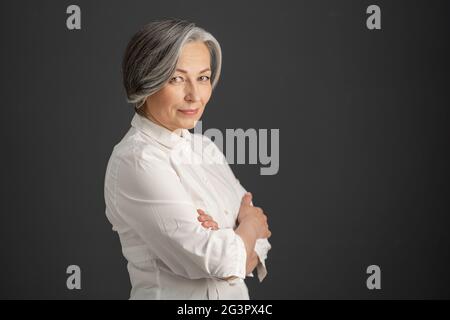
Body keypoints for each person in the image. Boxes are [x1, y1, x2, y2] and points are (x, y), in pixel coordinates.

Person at [104, 18, 272, 300]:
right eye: (176, 78)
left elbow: (262, 244)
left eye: (203, 78)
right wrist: (248, 226)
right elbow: (220, 260)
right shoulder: (136, 161)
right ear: (146, 80)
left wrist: (237, 238)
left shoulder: (205, 147)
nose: (195, 95)